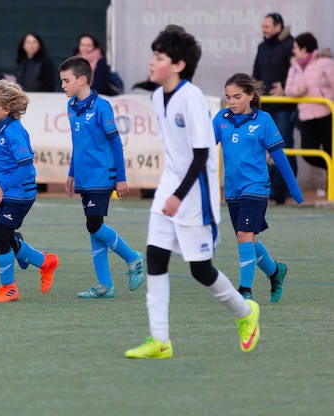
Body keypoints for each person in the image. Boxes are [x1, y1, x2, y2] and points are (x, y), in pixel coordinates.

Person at [125, 25, 260, 359]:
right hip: (169, 191)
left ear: (179, 65)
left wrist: (178, 196)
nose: (151, 63)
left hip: (194, 197)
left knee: (200, 270)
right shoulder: (157, 96)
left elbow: (202, 155)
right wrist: (167, 193)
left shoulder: (192, 98)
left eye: (159, 57)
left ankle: (246, 313)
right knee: (155, 257)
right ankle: (160, 340)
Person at [58, 56, 144, 299]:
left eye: (66, 81)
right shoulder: (71, 106)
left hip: (102, 176)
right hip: (84, 177)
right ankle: (105, 285)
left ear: (82, 80)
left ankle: (132, 257)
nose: (63, 85)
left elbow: (115, 142)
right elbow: (78, 144)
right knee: (93, 229)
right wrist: (72, 173)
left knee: (94, 224)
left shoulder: (101, 106)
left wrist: (121, 177)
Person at [213, 73, 304, 303]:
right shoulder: (221, 118)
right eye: (228, 97)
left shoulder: (263, 120)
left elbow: (280, 158)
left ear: (250, 96)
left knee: (244, 236)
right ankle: (275, 271)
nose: (231, 102)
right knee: (248, 240)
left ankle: (245, 291)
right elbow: (203, 149)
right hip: (233, 190)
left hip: (256, 188)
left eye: (237, 96)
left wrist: (295, 190)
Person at [0, 79, 60, 302]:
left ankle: (9, 288)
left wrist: (3, 187)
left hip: (20, 194)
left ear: (6, 110)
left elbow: (26, 167)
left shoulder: (14, 132)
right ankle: (45, 262)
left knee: (2, 238)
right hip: (5, 193)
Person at [253, 12, 298, 205]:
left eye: (267, 26)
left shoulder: (291, 45)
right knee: (265, 149)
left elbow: (300, 70)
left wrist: (285, 86)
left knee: (283, 147)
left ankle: (284, 191)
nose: (263, 29)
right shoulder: (261, 47)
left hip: (284, 107)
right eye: (262, 26)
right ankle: (270, 192)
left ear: (278, 27)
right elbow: (255, 73)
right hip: (265, 107)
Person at [285, 32, 334, 191]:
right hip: (306, 116)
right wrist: (297, 91)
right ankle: (331, 170)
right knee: (308, 153)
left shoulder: (325, 62)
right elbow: (288, 89)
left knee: (330, 150)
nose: (294, 51)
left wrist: (324, 95)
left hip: (326, 114)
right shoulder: (295, 67)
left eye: (296, 48)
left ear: (304, 49)